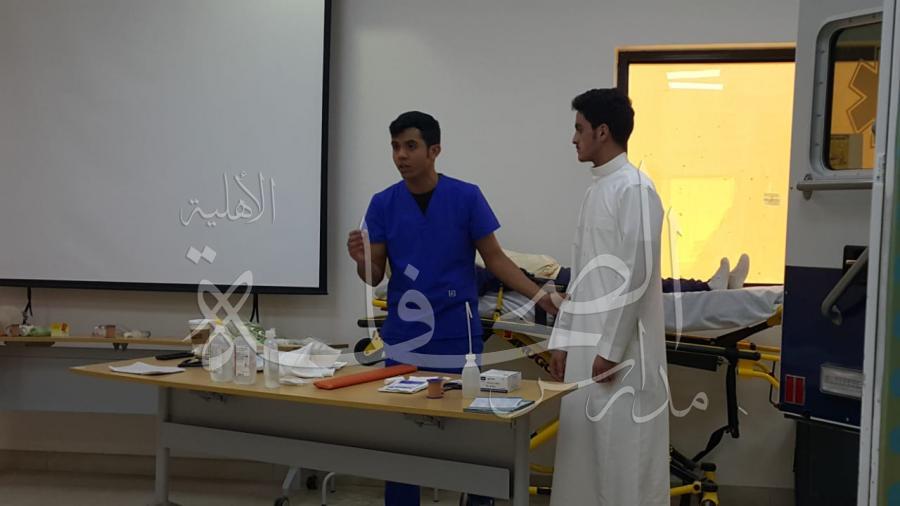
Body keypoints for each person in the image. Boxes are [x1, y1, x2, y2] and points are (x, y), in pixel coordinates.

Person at [347, 111, 561, 506]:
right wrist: (361, 260)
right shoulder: (382, 204)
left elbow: (495, 259)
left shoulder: (466, 197)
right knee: (402, 438)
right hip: (404, 336)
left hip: (455, 334)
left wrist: (538, 296)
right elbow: (374, 275)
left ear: (434, 150)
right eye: (395, 147)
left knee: (472, 433)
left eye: (410, 146)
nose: (400, 155)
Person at [547, 89, 669, 505]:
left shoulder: (635, 189)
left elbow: (638, 274)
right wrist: (562, 339)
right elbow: (581, 276)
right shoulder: (595, 191)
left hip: (622, 356)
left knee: (622, 464)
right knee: (583, 460)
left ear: (602, 131)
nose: (573, 138)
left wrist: (611, 350)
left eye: (578, 128)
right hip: (588, 349)